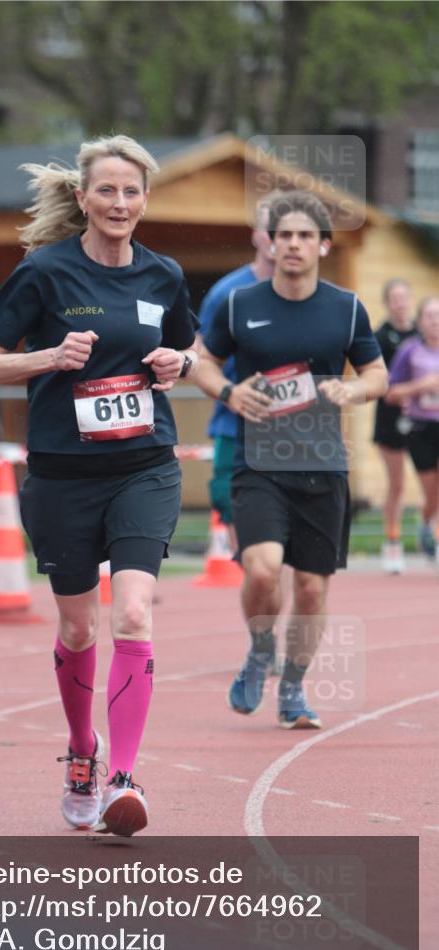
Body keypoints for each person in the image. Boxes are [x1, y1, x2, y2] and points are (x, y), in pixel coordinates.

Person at [0, 135, 198, 835]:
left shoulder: (162, 276)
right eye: (106, 190)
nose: (119, 203)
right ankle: (81, 751)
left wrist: (176, 365)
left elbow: (189, 350)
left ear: (144, 200)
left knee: (131, 612)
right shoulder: (43, 273)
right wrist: (49, 357)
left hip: (144, 466)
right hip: (63, 475)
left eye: (131, 192)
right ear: (82, 198)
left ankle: (123, 780)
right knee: (76, 626)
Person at [193, 190, 387, 729]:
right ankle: (260, 648)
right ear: (270, 243)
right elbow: (203, 363)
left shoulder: (346, 308)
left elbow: (377, 373)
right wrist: (229, 393)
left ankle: (294, 690)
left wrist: (355, 392)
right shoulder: (240, 304)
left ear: (323, 245)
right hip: (259, 461)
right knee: (262, 567)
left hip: (323, 464)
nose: (294, 245)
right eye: (285, 236)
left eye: (305, 236)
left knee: (310, 587)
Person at [199, 192, 279, 548]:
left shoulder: (321, 296)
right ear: (256, 235)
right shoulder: (227, 294)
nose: (280, 238)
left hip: (300, 432)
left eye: (290, 229)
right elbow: (201, 360)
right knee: (248, 544)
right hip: (237, 428)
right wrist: (229, 392)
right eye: (270, 228)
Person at [386, 296, 439, 562]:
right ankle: (426, 523)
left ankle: (434, 532)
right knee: (432, 490)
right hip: (421, 427)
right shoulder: (410, 350)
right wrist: (422, 386)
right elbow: (391, 392)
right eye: (430, 315)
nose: (436, 321)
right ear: (420, 321)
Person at [372, 279, 417, 572]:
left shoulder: (424, 334)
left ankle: (432, 536)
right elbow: (376, 377)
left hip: (424, 417)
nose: (400, 303)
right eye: (394, 298)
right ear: (387, 303)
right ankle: (392, 541)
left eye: (404, 297)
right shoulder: (380, 336)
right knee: (397, 484)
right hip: (390, 418)